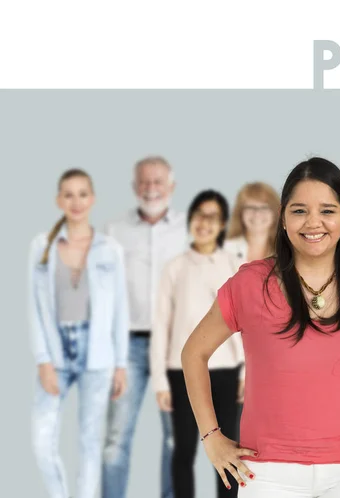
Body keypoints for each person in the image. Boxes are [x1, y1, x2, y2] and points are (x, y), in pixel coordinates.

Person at [180, 157, 340, 497]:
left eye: (327, 210)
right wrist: (211, 438)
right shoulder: (250, 284)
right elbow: (194, 353)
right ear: (283, 218)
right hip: (267, 473)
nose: (313, 223)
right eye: (299, 211)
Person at [30, 169, 129, 498]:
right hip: (57, 351)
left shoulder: (109, 248)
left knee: (90, 442)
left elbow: (120, 310)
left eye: (82, 193)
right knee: (41, 440)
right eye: (68, 194)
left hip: (98, 354)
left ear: (93, 199)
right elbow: (33, 306)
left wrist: (120, 364)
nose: (76, 201)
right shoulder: (41, 246)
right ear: (59, 200)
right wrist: (43, 360)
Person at [102, 156, 187, 498]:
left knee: (175, 438)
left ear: (171, 187)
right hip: (129, 346)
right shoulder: (114, 231)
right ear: (134, 187)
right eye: (144, 182)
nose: (151, 189)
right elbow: (105, 293)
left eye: (158, 182)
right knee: (116, 439)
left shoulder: (189, 228)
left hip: (174, 345)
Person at [150, 190, 244, 498]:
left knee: (229, 449)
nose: (204, 223)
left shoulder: (233, 265)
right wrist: (160, 382)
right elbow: (161, 325)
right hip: (182, 372)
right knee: (184, 449)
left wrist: (246, 374)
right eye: (198, 215)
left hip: (227, 371)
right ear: (190, 219)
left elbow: (246, 326)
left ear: (222, 225)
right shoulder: (174, 268)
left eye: (212, 217)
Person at [224, 181, 279, 408]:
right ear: (240, 213)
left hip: (273, 355)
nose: (257, 215)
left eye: (264, 207)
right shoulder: (223, 250)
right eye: (250, 207)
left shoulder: (288, 255)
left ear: (275, 212)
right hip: (226, 353)